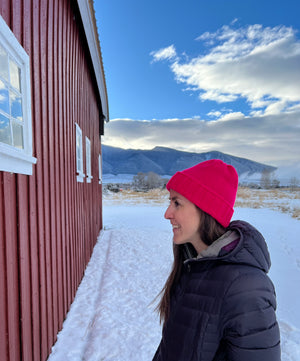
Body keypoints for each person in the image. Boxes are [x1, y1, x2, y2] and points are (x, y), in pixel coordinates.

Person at [152, 159, 281, 361]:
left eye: (177, 203)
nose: (167, 214)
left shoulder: (246, 288)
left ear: (206, 209)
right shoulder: (191, 267)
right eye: (170, 202)